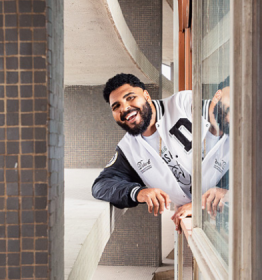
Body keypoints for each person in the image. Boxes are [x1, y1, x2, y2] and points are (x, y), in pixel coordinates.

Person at [92, 73, 229, 232]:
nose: (125, 108)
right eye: (116, 106)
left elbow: (223, 116)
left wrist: (203, 202)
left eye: (130, 97)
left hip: (233, 207)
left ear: (146, 95)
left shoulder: (182, 103)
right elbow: (101, 186)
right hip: (201, 224)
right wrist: (139, 193)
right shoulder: (129, 148)